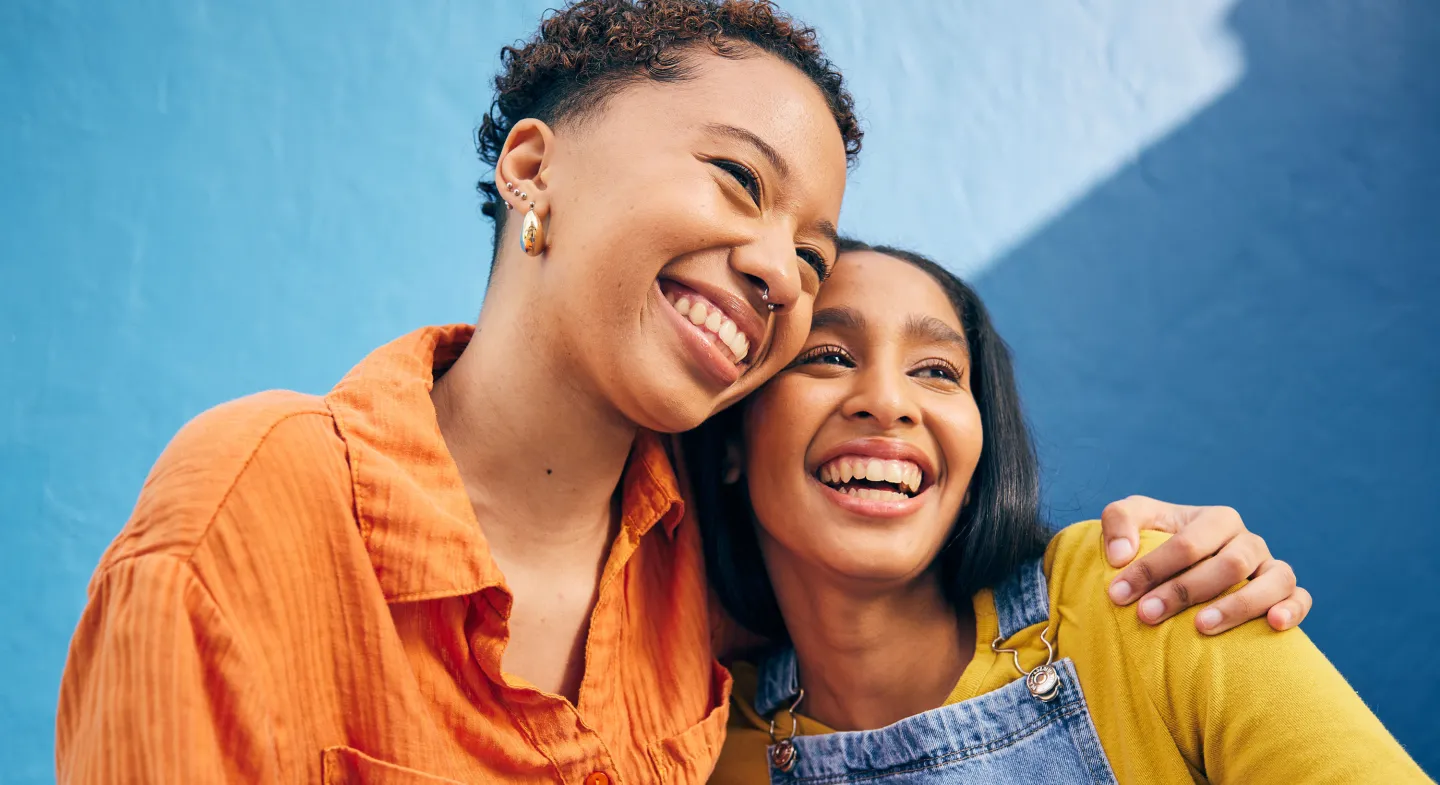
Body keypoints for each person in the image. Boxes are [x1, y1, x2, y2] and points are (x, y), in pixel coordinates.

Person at [55, 2, 1311, 783]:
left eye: (812, 254)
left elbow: (921, 620)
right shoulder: (257, 501)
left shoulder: (705, 582)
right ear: (533, 166)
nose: (778, 269)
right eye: (735, 180)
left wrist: (1175, 547)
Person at [689, 240, 1427, 783]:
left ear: (978, 464)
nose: (887, 400)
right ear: (732, 442)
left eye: (937, 372)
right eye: (829, 356)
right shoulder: (706, 745)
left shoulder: (1141, 590)